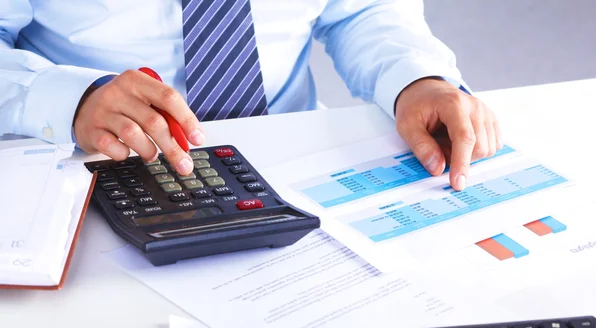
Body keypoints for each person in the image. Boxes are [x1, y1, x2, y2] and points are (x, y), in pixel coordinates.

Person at [0, 0, 500, 190]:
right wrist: (72, 98)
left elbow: (360, 10)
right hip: (91, 164)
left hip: (289, 159)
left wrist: (418, 80)